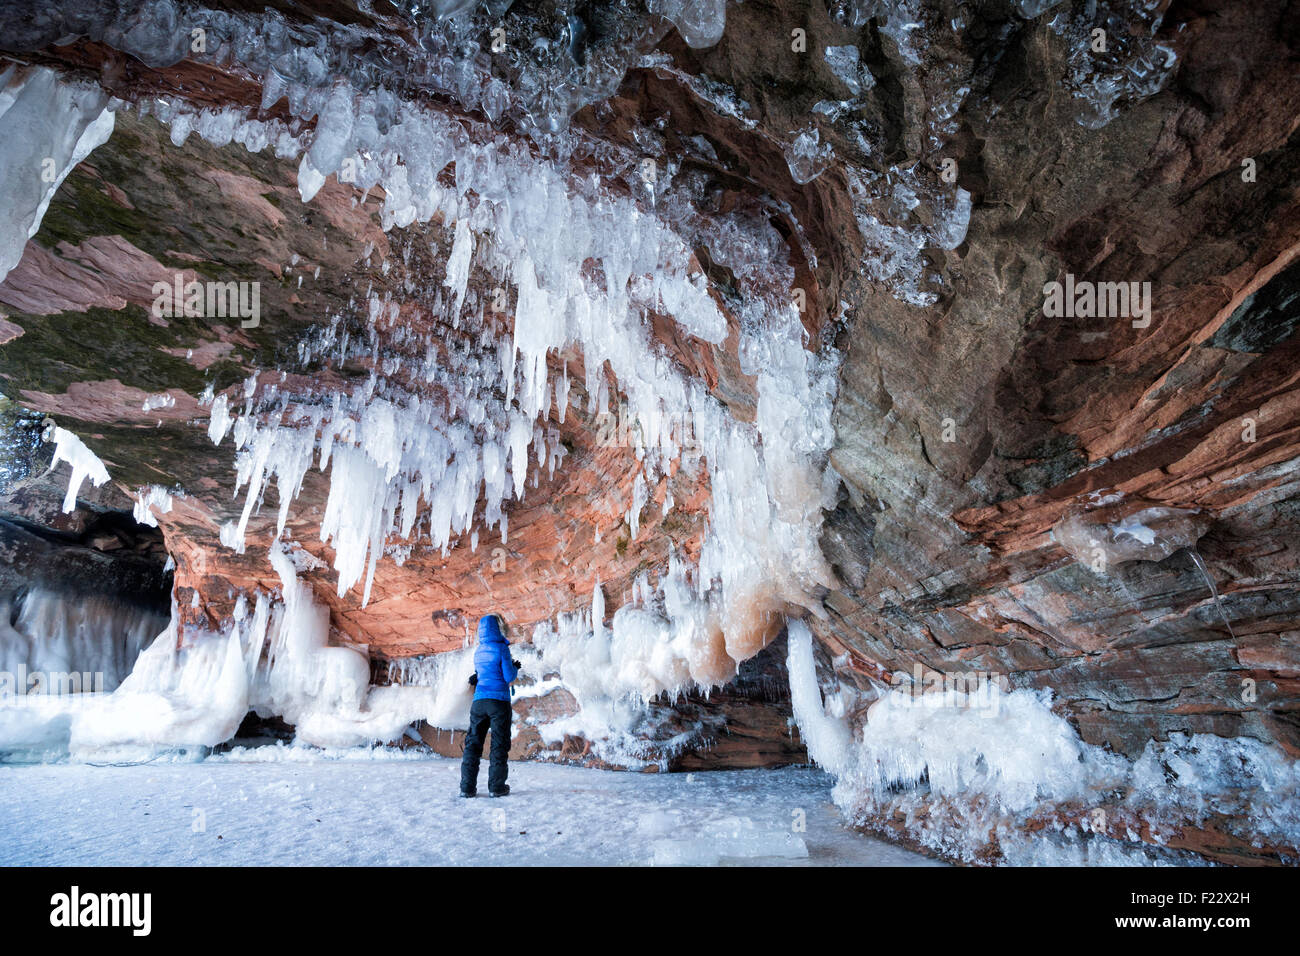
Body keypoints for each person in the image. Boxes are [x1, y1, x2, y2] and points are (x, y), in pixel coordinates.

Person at [459, 613, 520, 798]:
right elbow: (509, 676)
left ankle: (466, 788)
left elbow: (481, 673)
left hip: (479, 702)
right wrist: (515, 666)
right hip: (498, 702)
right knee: (498, 745)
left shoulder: (479, 651)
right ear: (497, 629)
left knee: (473, 744)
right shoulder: (501, 649)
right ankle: (496, 787)